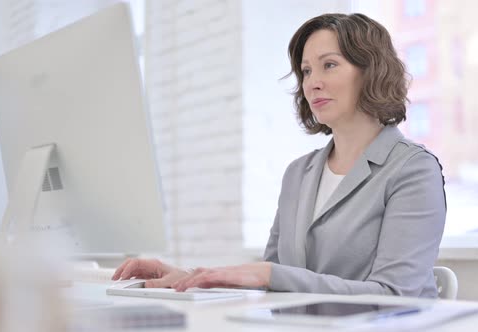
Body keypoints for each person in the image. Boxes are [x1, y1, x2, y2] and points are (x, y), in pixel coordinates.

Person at [112, 13, 446, 298]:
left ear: (371, 71)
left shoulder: (413, 169)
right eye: (306, 71)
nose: (312, 82)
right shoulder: (299, 173)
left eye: (328, 65)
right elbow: (269, 287)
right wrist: (185, 277)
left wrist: (270, 274)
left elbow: (393, 295)